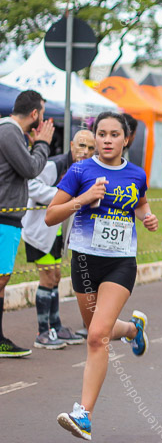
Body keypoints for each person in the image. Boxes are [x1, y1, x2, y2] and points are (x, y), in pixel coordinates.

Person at [46, 111, 157, 440]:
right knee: (99, 329)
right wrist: (83, 199)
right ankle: (133, 328)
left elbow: (141, 203)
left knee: (96, 337)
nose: (107, 140)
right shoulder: (80, 171)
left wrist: (147, 217)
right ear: (95, 137)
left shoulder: (136, 174)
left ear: (126, 139)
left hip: (120, 263)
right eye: (102, 134)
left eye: (114, 134)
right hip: (83, 261)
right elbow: (52, 215)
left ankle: (84, 415)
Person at [22, 129, 95, 349]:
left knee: (55, 276)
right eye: (81, 146)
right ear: (71, 145)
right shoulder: (54, 165)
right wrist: (62, 197)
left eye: (91, 148)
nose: (85, 151)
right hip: (39, 230)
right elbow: (31, 185)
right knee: (46, 277)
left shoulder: (83, 171)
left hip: (57, 233)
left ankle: (56, 326)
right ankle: (42, 332)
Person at [0, 90, 54, 358]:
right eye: (42, 113)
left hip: (9, 219)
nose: (43, 119)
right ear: (34, 114)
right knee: (0, 278)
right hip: (3, 218)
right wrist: (42, 144)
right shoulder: (9, 131)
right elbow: (32, 169)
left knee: (3, 278)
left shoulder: (12, 133)